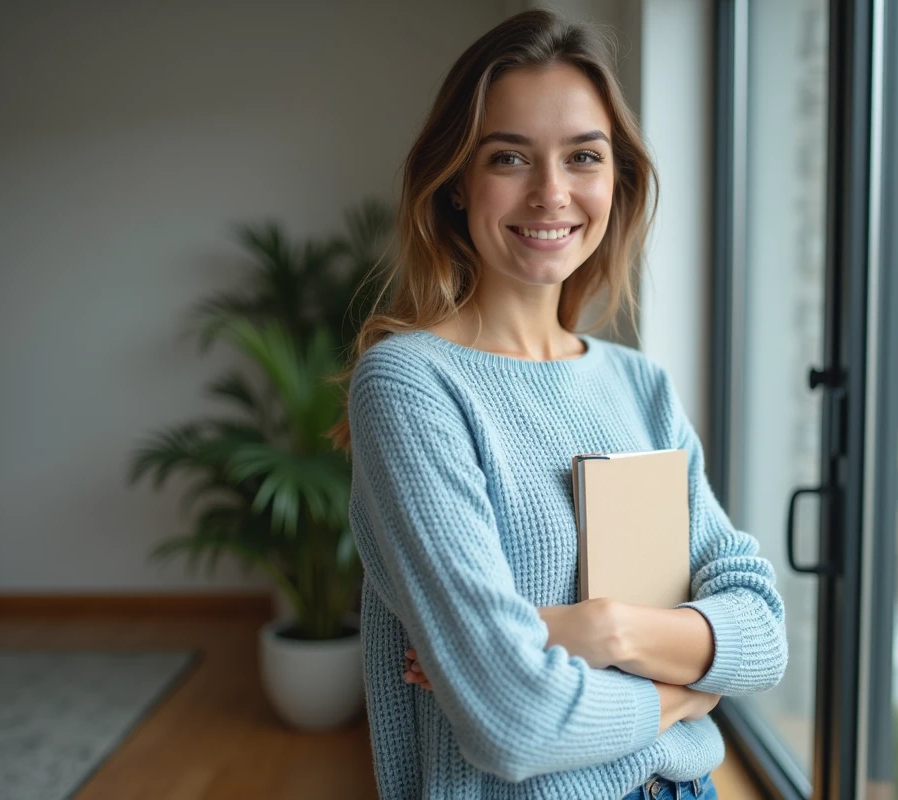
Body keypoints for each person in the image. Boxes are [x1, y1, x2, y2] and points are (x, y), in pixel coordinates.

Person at [327, 8, 787, 799]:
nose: (551, 193)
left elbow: (762, 631)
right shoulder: (410, 385)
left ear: (615, 180)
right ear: (456, 183)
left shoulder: (638, 385)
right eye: (510, 157)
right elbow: (515, 721)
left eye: (583, 156)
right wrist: (687, 691)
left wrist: (599, 631)